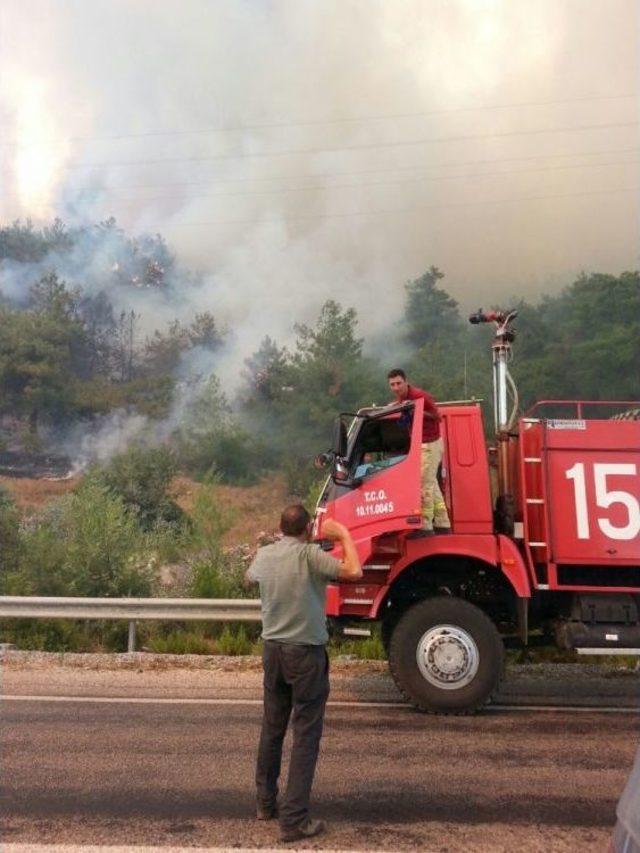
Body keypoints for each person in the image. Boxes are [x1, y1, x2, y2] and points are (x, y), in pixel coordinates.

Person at [245, 504, 362, 843]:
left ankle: (266, 804)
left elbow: (248, 577)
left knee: (272, 729)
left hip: (273, 652)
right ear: (308, 528)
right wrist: (343, 535)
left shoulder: (265, 555)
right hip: (305, 656)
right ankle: (294, 821)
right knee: (305, 736)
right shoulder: (311, 556)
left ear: (281, 528)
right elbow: (353, 570)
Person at [387, 368, 451, 534]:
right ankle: (443, 524)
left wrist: (417, 410)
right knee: (432, 484)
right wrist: (397, 405)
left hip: (429, 444)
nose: (395, 387)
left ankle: (426, 526)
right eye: (392, 385)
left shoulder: (418, 395)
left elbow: (438, 416)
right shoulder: (404, 397)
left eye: (398, 383)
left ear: (406, 382)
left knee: (423, 486)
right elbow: (404, 405)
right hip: (422, 444)